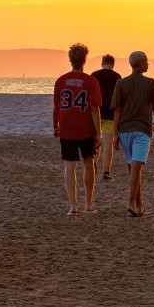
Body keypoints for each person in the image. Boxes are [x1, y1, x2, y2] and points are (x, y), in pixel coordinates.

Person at [110, 51, 154, 217]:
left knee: (133, 169)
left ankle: (139, 203)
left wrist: (116, 134)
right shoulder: (150, 83)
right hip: (142, 129)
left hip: (124, 130)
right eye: (146, 62)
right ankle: (130, 203)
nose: (148, 65)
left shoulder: (121, 83)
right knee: (136, 169)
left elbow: (117, 110)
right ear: (140, 65)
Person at [53, 44, 103, 215]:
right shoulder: (90, 81)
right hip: (86, 128)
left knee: (69, 165)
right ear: (84, 60)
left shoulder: (61, 80)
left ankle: (73, 206)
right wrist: (98, 132)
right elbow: (95, 109)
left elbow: (55, 107)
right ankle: (88, 203)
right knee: (88, 162)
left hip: (66, 127)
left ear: (70, 60)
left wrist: (55, 126)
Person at [90, 55, 121, 182]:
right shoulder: (117, 77)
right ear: (113, 64)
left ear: (102, 63)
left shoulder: (94, 75)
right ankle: (106, 172)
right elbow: (120, 98)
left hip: (95, 112)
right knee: (108, 144)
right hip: (110, 114)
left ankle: (93, 165)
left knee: (96, 141)